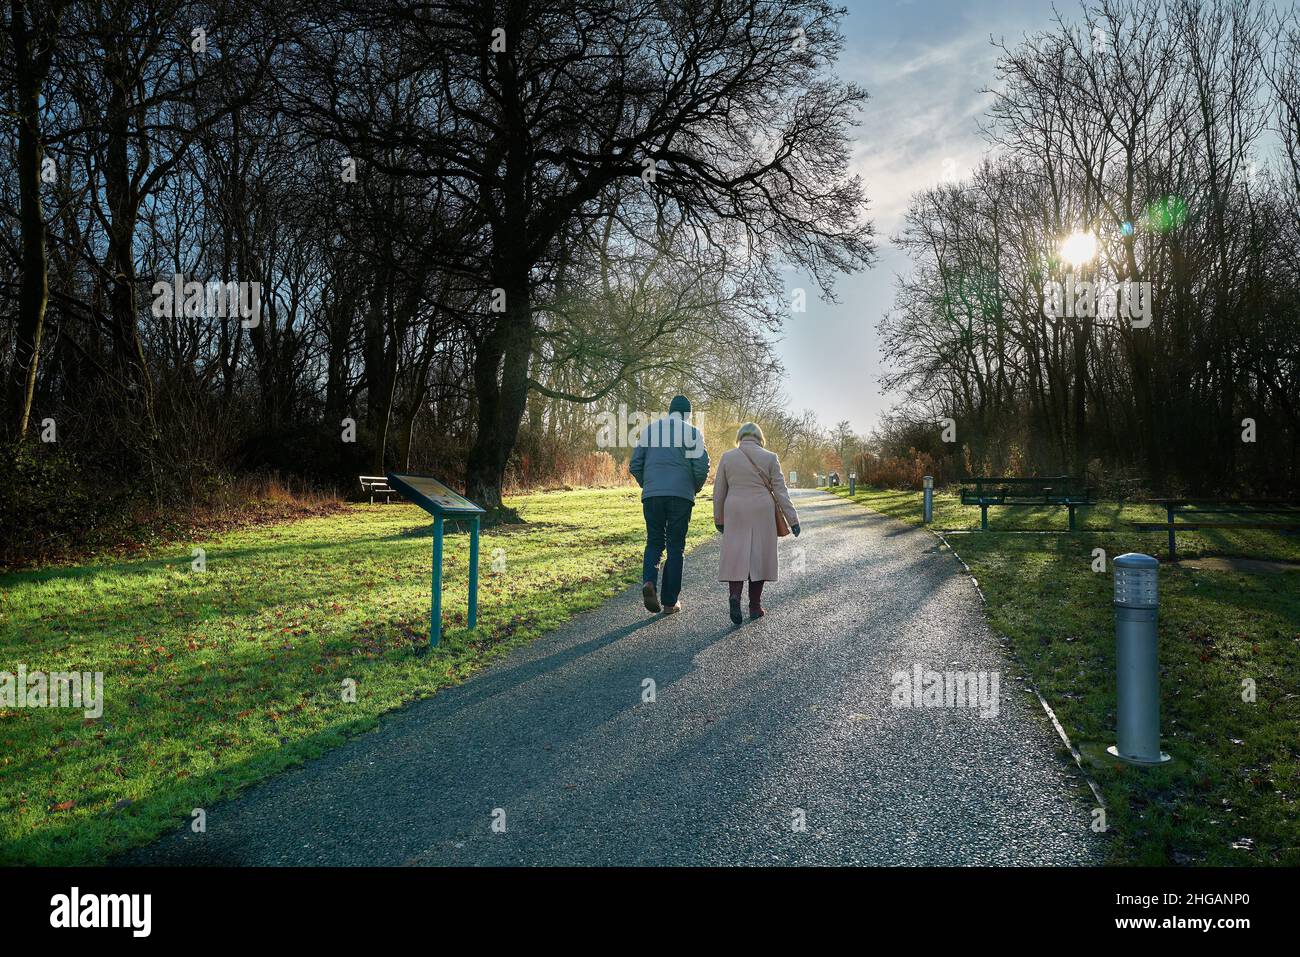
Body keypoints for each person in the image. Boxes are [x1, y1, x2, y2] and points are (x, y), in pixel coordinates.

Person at [629, 395, 710, 615]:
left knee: (654, 541)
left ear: (669, 411)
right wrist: (693, 488)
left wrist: (649, 484)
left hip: (652, 496)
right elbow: (702, 467)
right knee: (676, 546)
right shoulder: (693, 433)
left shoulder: (650, 430)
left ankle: (649, 582)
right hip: (681, 497)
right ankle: (669, 602)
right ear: (688, 414)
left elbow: (634, 464)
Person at [713, 422, 800, 624]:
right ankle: (754, 606)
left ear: (740, 437)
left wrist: (719, 518)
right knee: (758, 556)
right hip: (762, 510)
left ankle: (734, 596)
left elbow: (719, 493)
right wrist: (793, 520)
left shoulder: (727, 457)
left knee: (736, 554)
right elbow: (781, 491)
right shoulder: (770, 457)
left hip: (735, 510)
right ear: (760, 438)